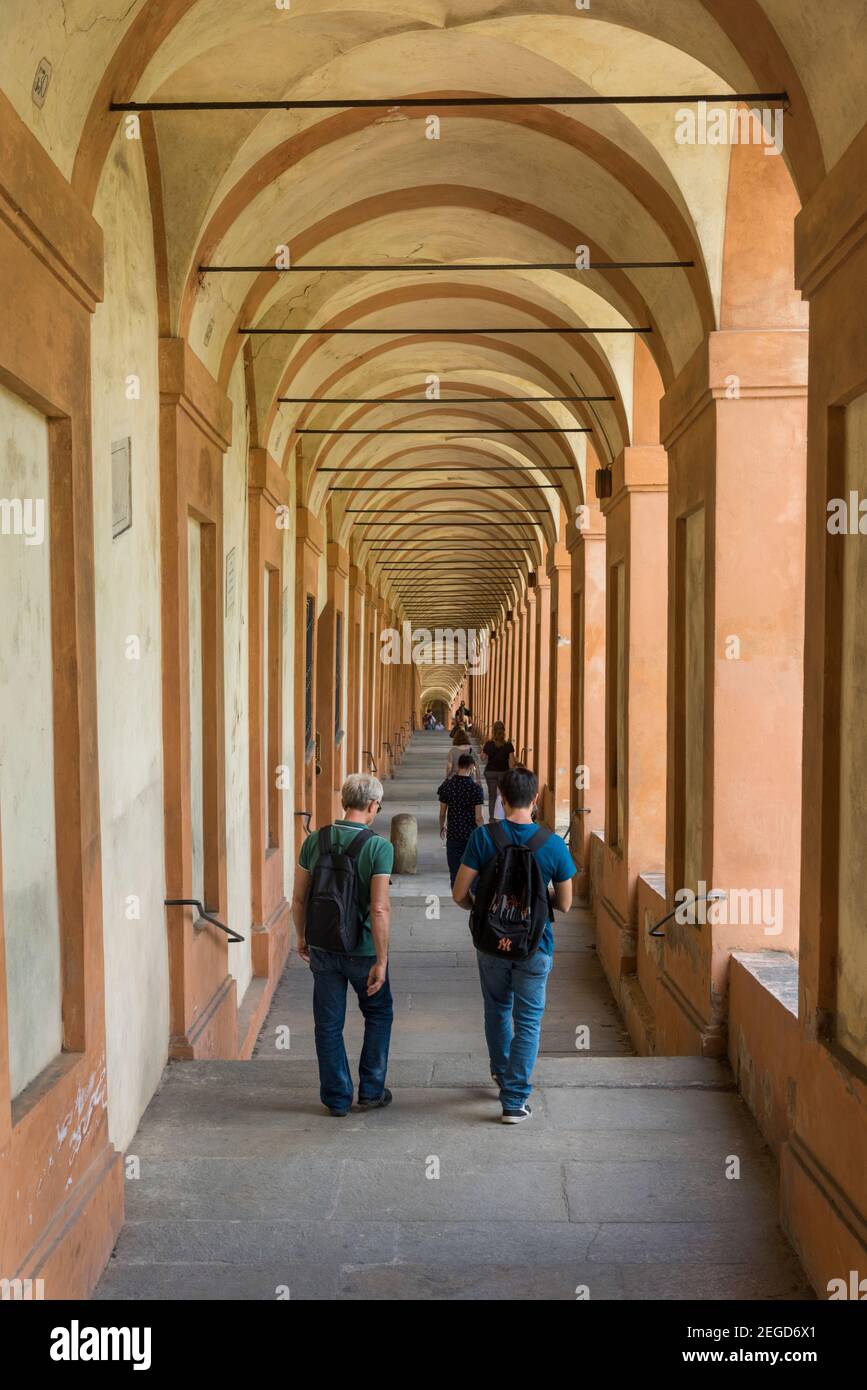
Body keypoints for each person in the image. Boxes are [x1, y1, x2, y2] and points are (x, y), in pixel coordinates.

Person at [452, 767, 576, 1123]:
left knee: (496, 1009)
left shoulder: (482, 838)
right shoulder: (552, 844)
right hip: (535, 946)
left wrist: (487, 911)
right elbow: (566, 904)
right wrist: (537, 898)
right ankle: (514, 1100)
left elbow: (460, 893)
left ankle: (501, 1073)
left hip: (491, 944)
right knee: (529, 1021)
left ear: (501, 800)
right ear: (535, 800)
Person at [291, 773, 394, 1117]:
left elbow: (298, 897)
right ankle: (371, 1090)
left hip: (323, 945)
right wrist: (382, 959)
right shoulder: (379, 847)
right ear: (373, 805)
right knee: (378, 1014)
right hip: (363, 950)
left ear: (344, 802)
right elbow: (379, 908)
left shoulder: (314, 840)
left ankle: (336, 1097)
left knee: (328, 1023)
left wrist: (302, 936)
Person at [437, 752, 486, 885]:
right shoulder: (476, 789)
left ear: (458, 766)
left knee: (454, 870)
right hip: (471, 835)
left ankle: (456, 893)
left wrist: (442, 826)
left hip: (453, 834)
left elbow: (442, 813)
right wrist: (484, 833)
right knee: (473, 870)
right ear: (472, 767)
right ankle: (471, 896)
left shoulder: (447, 786)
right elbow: (478, 817)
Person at [480, 721, 515, 818]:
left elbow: (482, 758)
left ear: (493, 731)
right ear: (504, 731)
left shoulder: (489, 744)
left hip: (490, 772)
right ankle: (505, 816)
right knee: (504, 796)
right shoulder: (508, 745)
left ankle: (492, 819)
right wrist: (512, 773)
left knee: (492, 796)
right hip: (503, 773)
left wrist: (483, 749)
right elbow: (511, 762)